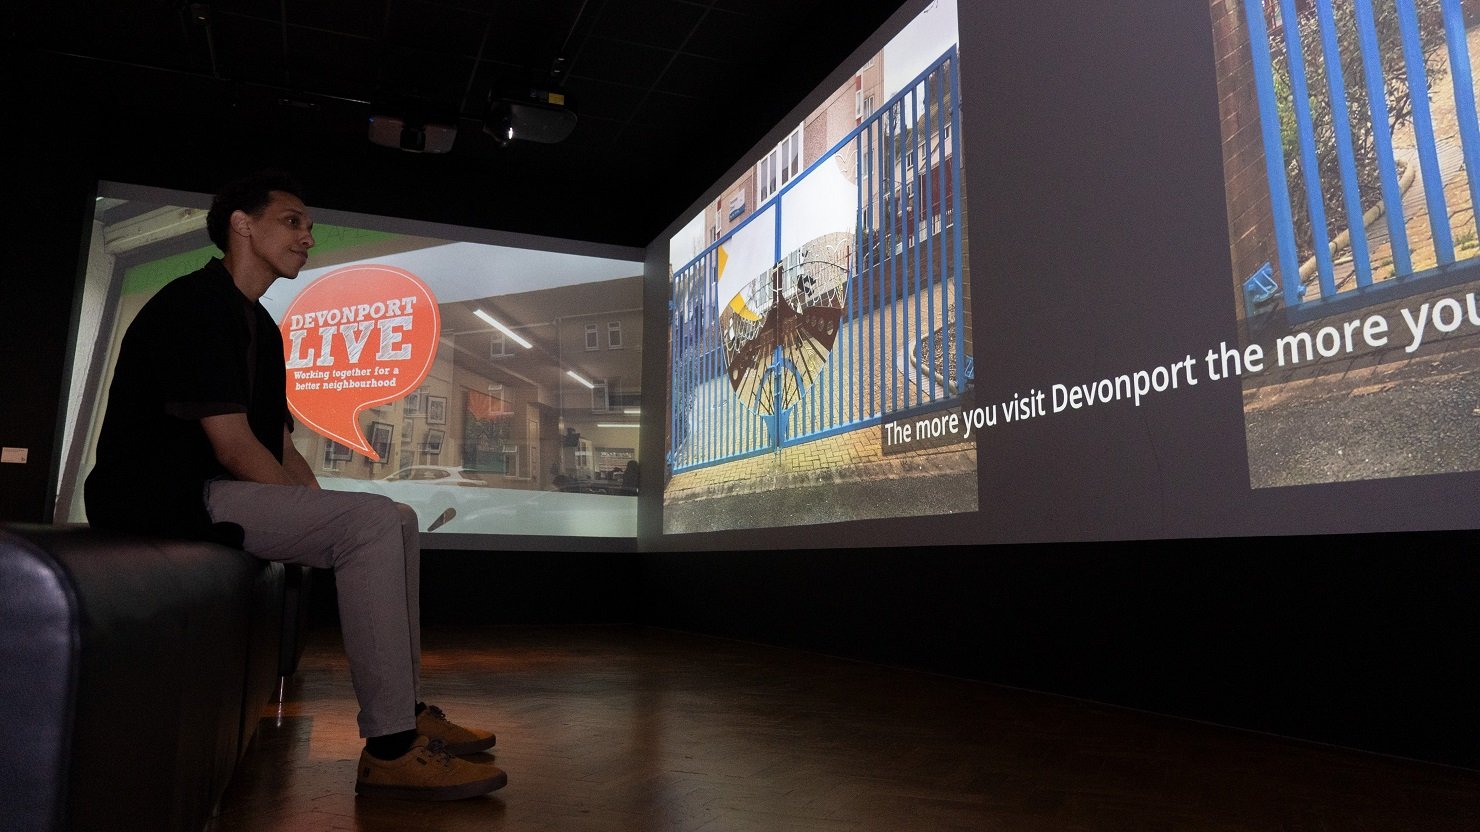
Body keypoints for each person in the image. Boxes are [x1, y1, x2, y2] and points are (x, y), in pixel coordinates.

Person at [84, 170, 506, 801]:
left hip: (211, 490)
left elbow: (279, 446)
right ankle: (389, 752)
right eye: (292, 221)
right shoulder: (194, 304)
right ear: (241, 225)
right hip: (159, 498)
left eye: (309, 226)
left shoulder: (262, 326)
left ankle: (407, 710)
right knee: (367, 521)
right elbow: (231, 447)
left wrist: (323, 513)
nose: (308, 236)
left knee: (394, 517)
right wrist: (327, 520)